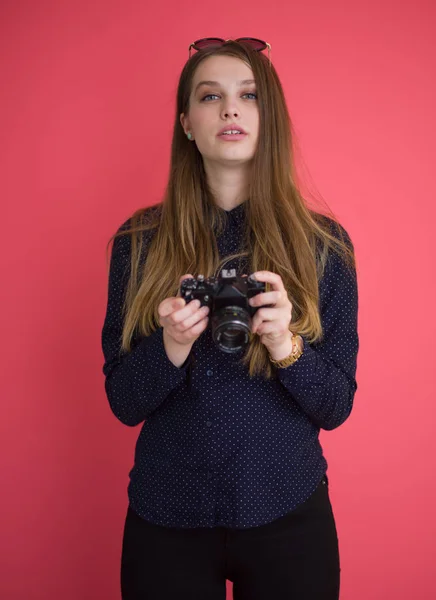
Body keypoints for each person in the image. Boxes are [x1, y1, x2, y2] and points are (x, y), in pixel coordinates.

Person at [101, 37, 359, 600]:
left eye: (248, 95)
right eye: (209, 95)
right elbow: (122, 402)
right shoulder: (138, 243)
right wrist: (168, 345)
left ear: (271, 119)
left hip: (287, 510)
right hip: (166, 515)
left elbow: (337, 407)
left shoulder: (323, 246)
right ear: (187, 123)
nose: (230, 108)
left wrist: (285, 343)